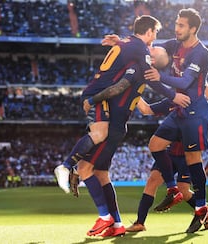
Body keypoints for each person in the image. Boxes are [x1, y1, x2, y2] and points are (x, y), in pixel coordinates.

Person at [54, 15, 190, 194]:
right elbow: (142, 85)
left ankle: (72, 171)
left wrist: (119, 42)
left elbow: (143, 101)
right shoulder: (140, 52)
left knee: (98, 156)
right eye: (155, 33)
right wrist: (173, 96)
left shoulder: (130, 45)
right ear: (149, 32)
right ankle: (66, 167)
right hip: (101, 98)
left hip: (105, 100)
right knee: (99, 143)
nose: (155, 39)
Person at [74, 45, 181, 237]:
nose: (153, 47)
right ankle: (116, 225)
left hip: (112, 125)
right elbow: (145, 107)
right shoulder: (140, 67)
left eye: (157, 49)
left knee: (84, 169)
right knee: (101, 174)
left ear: (154, 61)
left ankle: (106, 217)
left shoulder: (144, 68)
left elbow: (121, 87)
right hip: (112, 123)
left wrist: (92, 100)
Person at [143, 8, 208, 233]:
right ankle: (173, 188)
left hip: (195, 112)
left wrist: (159, 76)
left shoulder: (200, 53)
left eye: (182, 25)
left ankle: (201, 208)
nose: (177, 28)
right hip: (178, 109)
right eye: (177, 24)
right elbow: (152, 48)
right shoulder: (174, 45)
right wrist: (123, 43)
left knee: (194, 159)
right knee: (155, 144)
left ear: (193, 29)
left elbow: (184, 82)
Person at [126, 81, 208, 232]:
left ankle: (204, 211)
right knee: (152, 181)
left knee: (184, 190)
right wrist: (133, 92)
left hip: (187, 155)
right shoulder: (172, 101)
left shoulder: (197, 101)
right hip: (170, 154)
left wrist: (201, 80)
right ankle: (140, 223)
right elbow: (146, 109)